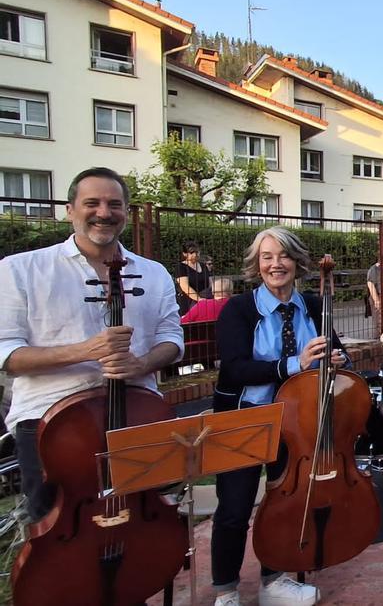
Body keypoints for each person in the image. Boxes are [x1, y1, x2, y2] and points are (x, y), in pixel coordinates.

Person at [0, 167, 183, 523]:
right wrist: (85, 350)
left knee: (144, 521)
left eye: (114, 204)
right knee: (57, 526)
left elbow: (172, 339)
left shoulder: (153, 272)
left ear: (126, 212)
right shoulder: (20, 269)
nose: (104, 212)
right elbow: (7, 354)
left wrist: (141, 364)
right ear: (70, 210)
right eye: (92, 203)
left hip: (137, 413)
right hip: (51, 422)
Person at [211, 226, 346, 605]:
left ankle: (273, 581)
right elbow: (235, 368)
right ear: (256, 264)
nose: (276, 264)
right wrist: (294, 364)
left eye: (283, 255)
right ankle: (226, 591)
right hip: (246, 418)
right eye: (267, 257)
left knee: (284, 503)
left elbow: (337, 351)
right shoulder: (239, 309)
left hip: (297, 422)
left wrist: (338, 360)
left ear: (297, 261)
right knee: (234, 508)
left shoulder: (314, 306)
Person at [177, 240, 213, 316]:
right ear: (185, 254)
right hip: (188, 302)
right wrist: (199, 299)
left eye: (197, 252)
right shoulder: (181, 267)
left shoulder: (203, 266)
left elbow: (210, 283)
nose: (195, 254)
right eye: (191, 253)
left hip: (206, 300)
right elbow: (185, 286)